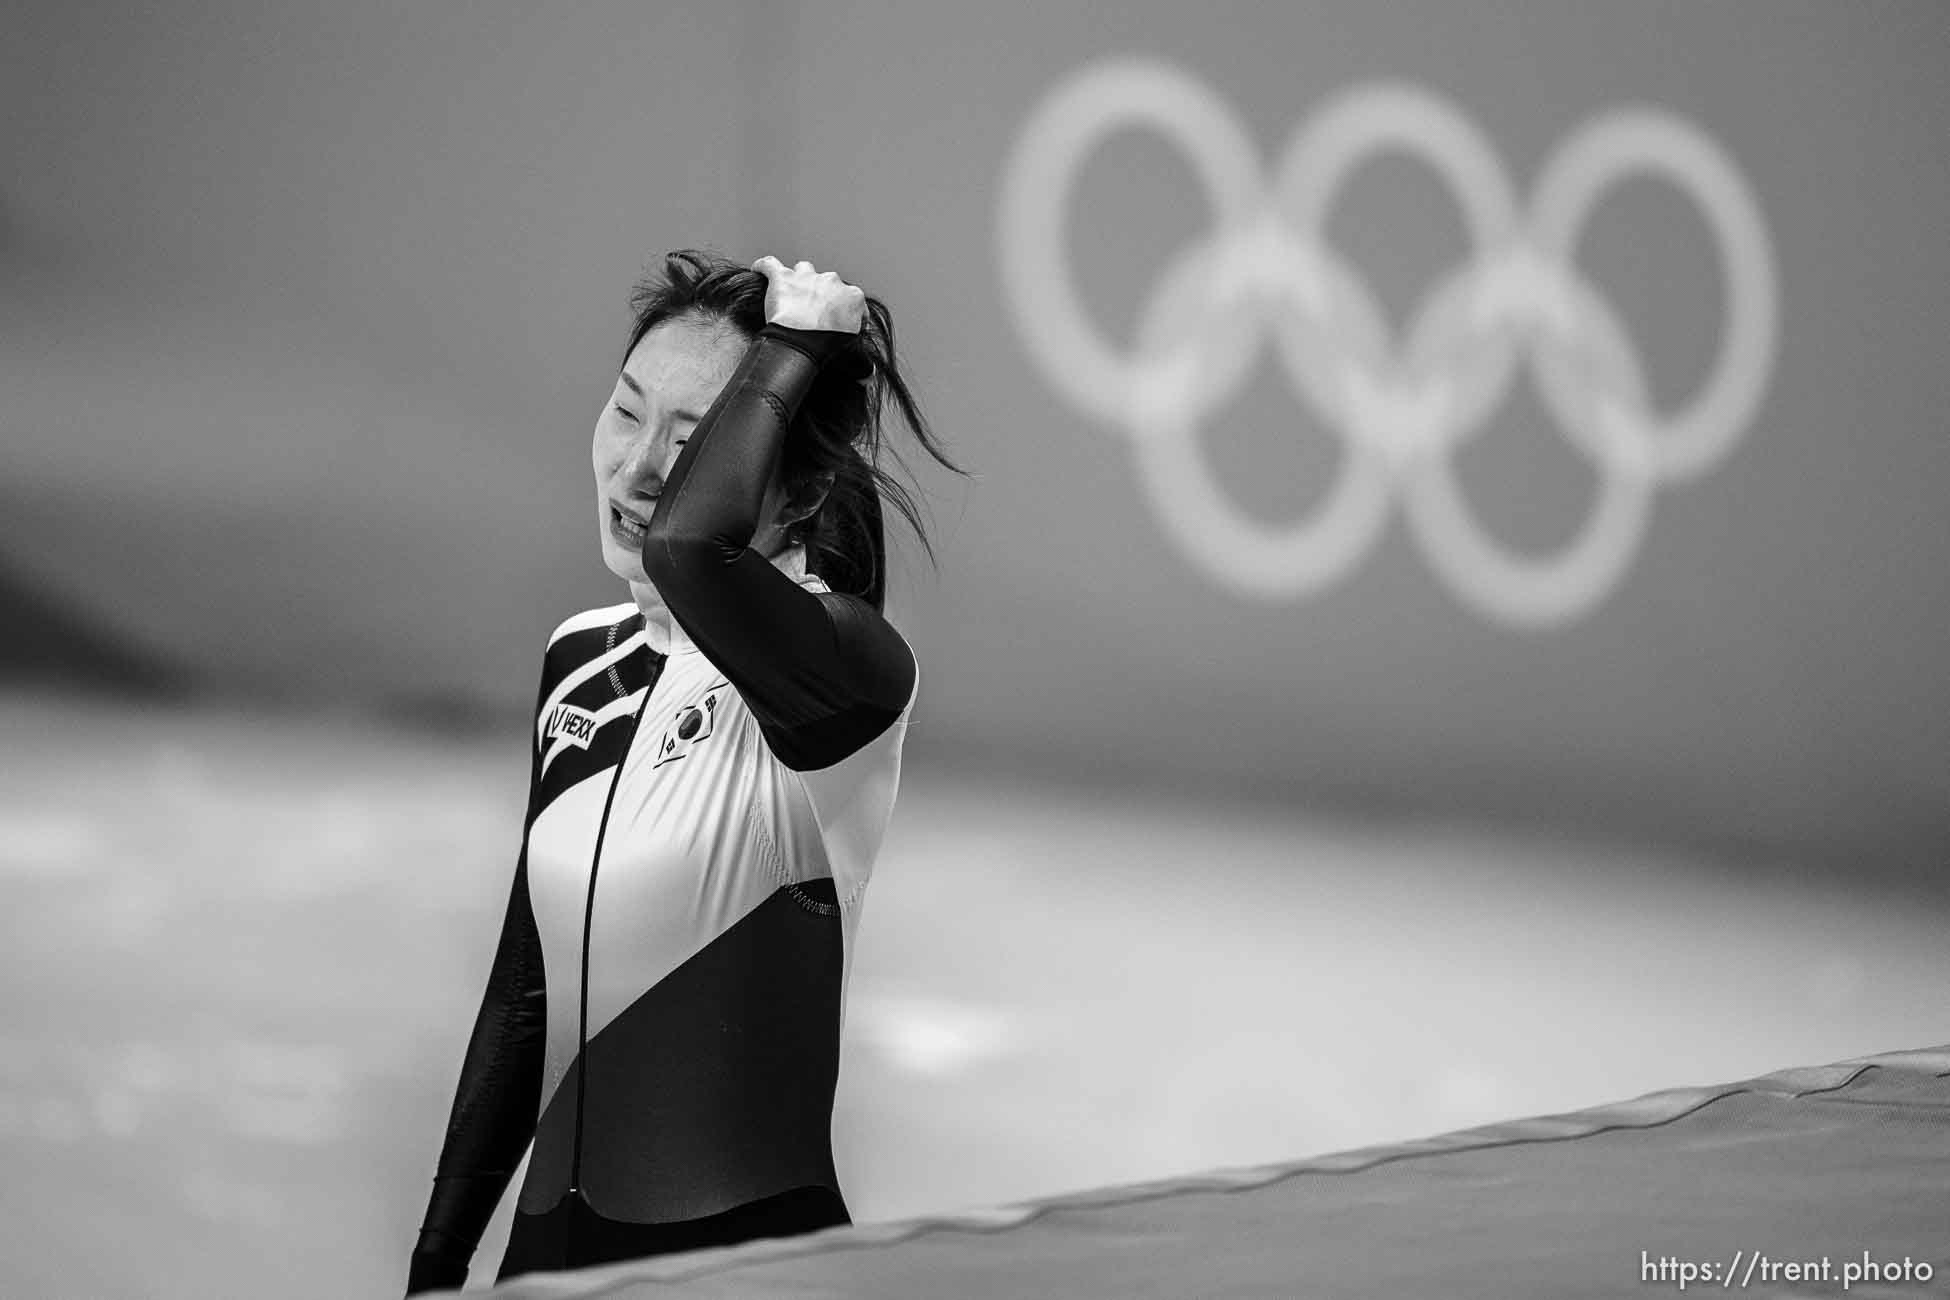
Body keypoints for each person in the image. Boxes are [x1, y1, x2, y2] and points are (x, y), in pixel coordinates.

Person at [404, 250, 964, 1293]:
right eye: (627, 413)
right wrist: (437, 1260)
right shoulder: (583, 659)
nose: (640, 466)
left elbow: (692, 551)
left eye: (695, 435)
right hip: (547, 1268)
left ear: (792, 486)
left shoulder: (845, 672)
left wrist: (800, 344)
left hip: (747, 1272)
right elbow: (525, 993)